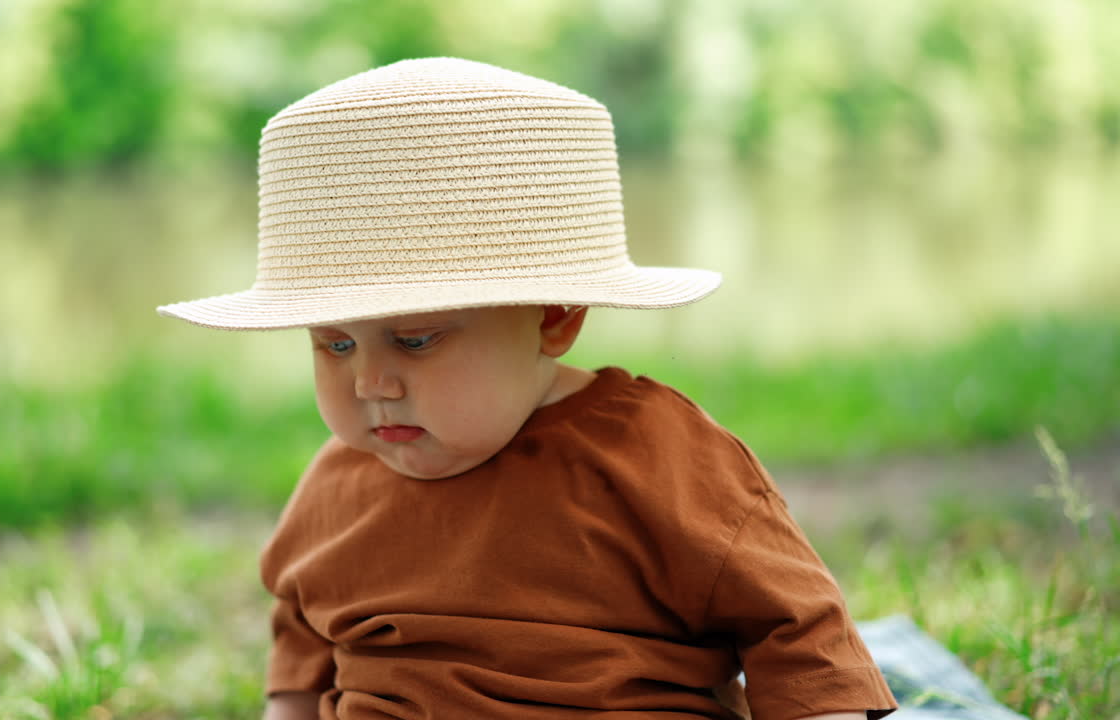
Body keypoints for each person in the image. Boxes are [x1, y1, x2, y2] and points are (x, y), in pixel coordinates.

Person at [158, 57, 898, 720]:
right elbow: (300, 637)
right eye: (334, 343)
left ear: (553, 319)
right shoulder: (337, 487)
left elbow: (793, 626)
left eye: (416, 339)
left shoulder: (656, 457)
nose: (371, 381)